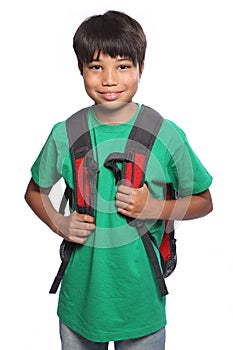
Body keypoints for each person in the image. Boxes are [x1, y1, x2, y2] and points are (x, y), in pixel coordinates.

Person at [24, 10, 213, 350]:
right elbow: (35, 192)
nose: (109, 79)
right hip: (81, 301)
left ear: (141, 69)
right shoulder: (65, 133)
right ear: (80, 69)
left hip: (141, 303)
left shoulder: (165, 135)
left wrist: (153, 206)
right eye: (96, 67)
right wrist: (59, 223)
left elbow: (204, 201)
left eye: (123, 66)